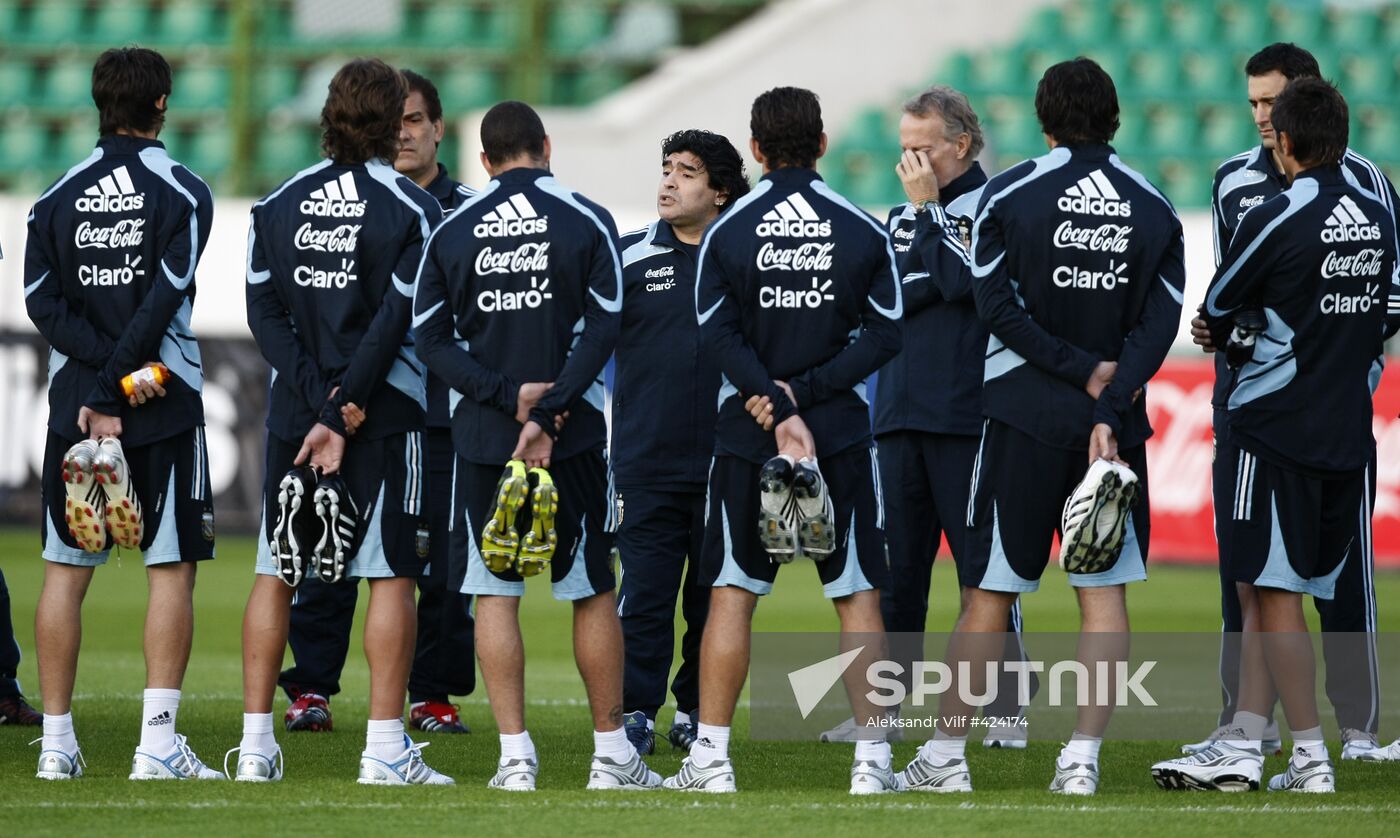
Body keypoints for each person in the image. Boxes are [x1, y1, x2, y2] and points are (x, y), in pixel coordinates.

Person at [898, 58, 1183, 796]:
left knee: (989, 593)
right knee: (1104, 597)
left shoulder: (1012, 194)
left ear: (1043, 119)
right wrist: (1110, 392)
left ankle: (946, 759)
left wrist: (1075, 370)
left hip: (1020, 417)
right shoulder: (1153, 205)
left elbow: (993, 306)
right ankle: (1081, 761)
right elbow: (1163, 321)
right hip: (1111, 432)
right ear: (1115, 117)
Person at [1153, 77, 1398, 793]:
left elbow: (1220, 305)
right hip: (1347, 426)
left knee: (1271, 588)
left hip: (1273, 424)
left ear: (1285, 143)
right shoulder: (1376, 213)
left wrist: (1243, 326)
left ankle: (1309, 757)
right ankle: (1244, 741)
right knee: (1277, 588)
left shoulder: (1281, 210)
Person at [665, 86, 904, 795]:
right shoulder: (861, 226)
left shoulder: (729, 230)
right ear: (823, 144)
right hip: (839, 434)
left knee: (732, 592)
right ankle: (873, 764)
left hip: (747, 435)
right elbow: (887, 332)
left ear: (757, 150)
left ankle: (710, 759)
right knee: (857, 596)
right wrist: (807, 395)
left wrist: (773, 404)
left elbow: (716, 333)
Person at [414, 100, 660, 791]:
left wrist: (505, 397)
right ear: (547, 147)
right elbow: (606, 325)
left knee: (493, 593)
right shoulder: (587, 217)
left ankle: (514, 758)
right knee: (590, 591)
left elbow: (430, 339)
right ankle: (612, 757)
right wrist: (551, 412)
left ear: (484, 160)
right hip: (573, 437)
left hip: (485, 438)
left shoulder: (452, 228)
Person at [233, 58, 451, 785]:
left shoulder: (279, 200)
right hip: (381, 416)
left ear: (328, 114)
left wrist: (312, 402)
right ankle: (386, 750)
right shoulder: (415, 209)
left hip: (296, 416)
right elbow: (396, 319)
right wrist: (343, 406)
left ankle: (258, 745)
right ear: (394, 121)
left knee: (276, 571)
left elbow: (261, 312)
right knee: (391, 576)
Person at [24, 46, 219, 780]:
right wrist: (122, 384)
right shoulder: (185, 189)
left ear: (99, 103)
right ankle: (156, 744)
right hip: (158, 395)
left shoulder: (56, 193)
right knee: (170, 571)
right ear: (162, 104)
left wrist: (96, 387)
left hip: (75, 406)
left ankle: (55, 745)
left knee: (63, 572)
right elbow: (161, 300)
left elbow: (41, 303)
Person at [279, 68, 477, 737]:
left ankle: (434, 694)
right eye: (397, 120)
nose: (404, 133)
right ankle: (311, 689)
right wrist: (342, 400)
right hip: (366, 406)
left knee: (440, 567)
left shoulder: (468, 212)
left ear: (438, 128)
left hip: (442, 413)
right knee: (324, 554)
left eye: (416, 120)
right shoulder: (347, 202)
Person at [837, 84, 1033, 748]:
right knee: (898, 576)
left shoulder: (998, 208)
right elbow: (889, 298)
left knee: (982, 571)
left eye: (921, 150)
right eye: (902, 151)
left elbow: (961, 285)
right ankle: (886, 711)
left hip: (969, 417)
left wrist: (929, 221)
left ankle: (1004, 707)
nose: (909, 165)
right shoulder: (897, 218)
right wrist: (924, 239)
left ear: (960, 144)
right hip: (896, 414)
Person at [612, 129, 749, 755]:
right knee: (642, 596)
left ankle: (695, 708)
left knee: (711, 600)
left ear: (719, 192)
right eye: (666, 168)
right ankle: (635, 709)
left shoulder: (746, 257)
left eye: (687, 172)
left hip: (728, 462)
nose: (669, 181)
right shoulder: (627, 257)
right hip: (645, 461)